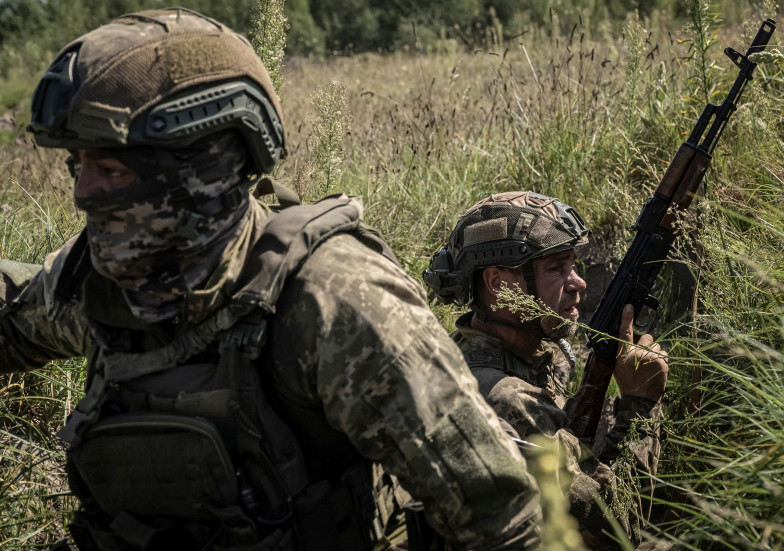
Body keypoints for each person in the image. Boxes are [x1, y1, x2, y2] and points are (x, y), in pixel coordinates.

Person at [1, 9, 543, 551]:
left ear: (208, 169)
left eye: (113, 170)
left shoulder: (336, 302)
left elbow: (501, 517)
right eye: (79, 165)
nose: (83, 194)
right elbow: (12, 320)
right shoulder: (94, 282)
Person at [423, 192, 669, 550]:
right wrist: (640, 402)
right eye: (555, 268)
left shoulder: (473, 348)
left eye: (572, 265)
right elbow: (623, 526)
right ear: (497, 283)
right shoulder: (507, 399)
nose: (578, 282)